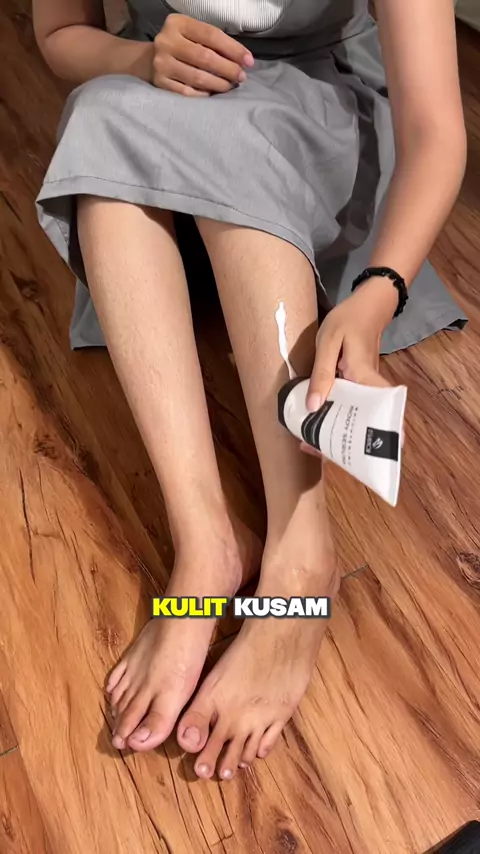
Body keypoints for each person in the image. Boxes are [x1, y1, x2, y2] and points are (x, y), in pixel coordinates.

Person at [33, 0, 466, 781]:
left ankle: (301, 550)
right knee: (100, 113)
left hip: (326, 106)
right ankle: (206, 543)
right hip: (163, 89)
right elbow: (61, 35)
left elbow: (435, 127)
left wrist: (378, 292)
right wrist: (139, 60)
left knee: (227, 134)